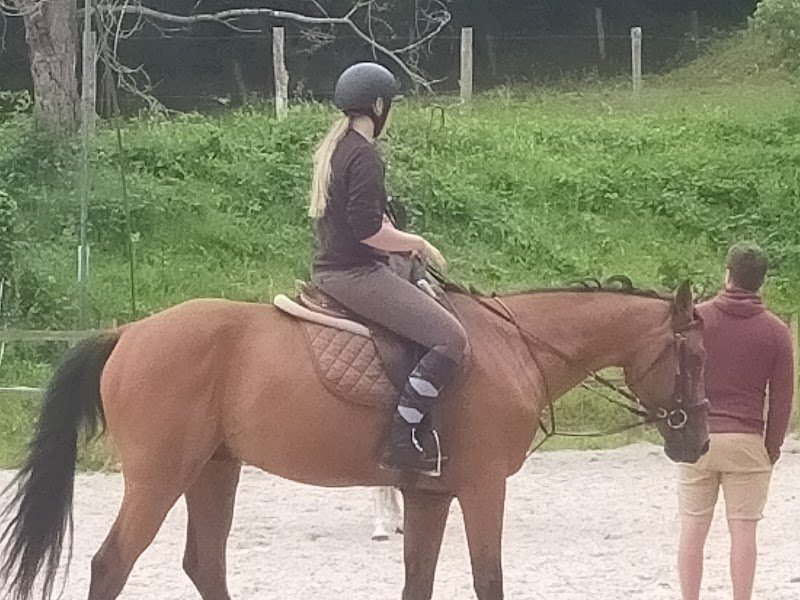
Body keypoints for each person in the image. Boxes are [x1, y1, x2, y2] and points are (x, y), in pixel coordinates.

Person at [308, 62, 468, 476]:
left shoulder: (339, 148)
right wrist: (418, 243)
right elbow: (367, 233)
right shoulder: (363, 157)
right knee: (451, 337)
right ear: (378, 106)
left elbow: (363, 220)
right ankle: (403, 436)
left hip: (338, 268)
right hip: (355, 273)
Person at [677, 242, 794, 600]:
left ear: (726, 275)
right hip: (746, 440)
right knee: (744, 533)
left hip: (700, 436)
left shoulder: (698, 319)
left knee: (692, 530)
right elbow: (782, 400)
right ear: (762, 282)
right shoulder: (776, 332)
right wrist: (770, 448)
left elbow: (678, 379)